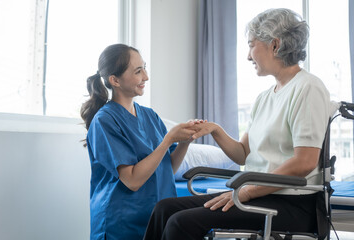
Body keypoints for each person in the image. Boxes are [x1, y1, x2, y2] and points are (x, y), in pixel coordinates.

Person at [143, 8, 333, 240]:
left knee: (181, 223)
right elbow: (243, 154)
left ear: (275, 45)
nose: (248, 56)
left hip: (292, 203)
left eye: (251, 44)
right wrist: (215, 130)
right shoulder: (265, 97)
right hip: (260, 195)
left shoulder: (308, 88)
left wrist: (246, 192)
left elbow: (304, 162)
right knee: (164, 208)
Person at [80, 44, 199, 240]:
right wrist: (168, 139)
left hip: (155, 218)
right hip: (120, 223)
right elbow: (132, 180)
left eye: (144, 68)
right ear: (115, 80)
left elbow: (168, 167)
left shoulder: (150, 116)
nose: (146, 76)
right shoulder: (105, 121)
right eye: (138, 71)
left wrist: (185, 141)